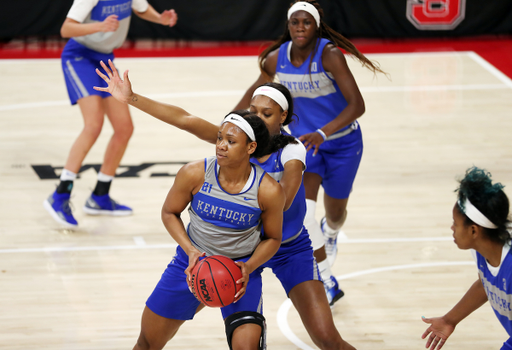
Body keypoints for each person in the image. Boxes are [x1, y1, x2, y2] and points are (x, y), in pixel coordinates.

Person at [95, 58, 356, 349]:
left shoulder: (291, 149)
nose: (257, 118)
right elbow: (185, 120)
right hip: (235, 249)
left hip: (286, 246)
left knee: (326, 338)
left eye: (266, 114)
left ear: (282, 117)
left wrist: (246, 193)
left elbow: (284, 201)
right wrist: (131, 97)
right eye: (253, 111)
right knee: (153, 336)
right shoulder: (236, 139)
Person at [234, 0, 385, 305]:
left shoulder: (328, 55)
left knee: (336, 214)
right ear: (288, 26)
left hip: (343, 143)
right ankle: (327, 279)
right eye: (295, 23)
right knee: (305, 216)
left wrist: (323, 132)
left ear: (316, 26)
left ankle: (331, 232)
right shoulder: (278, 58)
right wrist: (232, 122)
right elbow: (256, 92)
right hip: (306, 146)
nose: (300, 28)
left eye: (306, 23)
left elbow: (358, 105)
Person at [43, 0, 178, 228]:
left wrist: (160, 19)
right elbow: (66, 29)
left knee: (124, 128)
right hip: (79, 57)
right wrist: (100, 26)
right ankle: (60, 194)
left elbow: (142, 9)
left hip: (105, 58)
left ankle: (100, 196)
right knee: (93, 124)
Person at [421, 167, 512, 350]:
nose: (452, 228)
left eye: (455, 223)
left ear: (473, 230)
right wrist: (449, 320)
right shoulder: (483, 248)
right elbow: (486, 284)